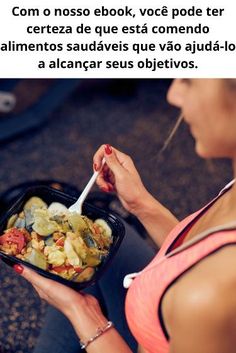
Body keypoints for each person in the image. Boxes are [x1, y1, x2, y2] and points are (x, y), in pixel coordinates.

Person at [13, 79, 236, 353]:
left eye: (189, 81)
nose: (172, 94)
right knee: (112, 239)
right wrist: (140, 203)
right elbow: (198, 253)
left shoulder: (207, 299)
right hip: (161, 312)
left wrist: (82, 313)